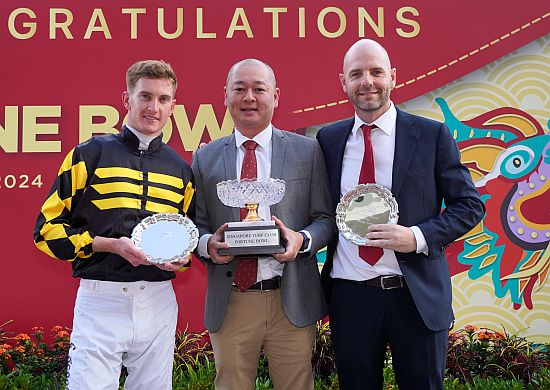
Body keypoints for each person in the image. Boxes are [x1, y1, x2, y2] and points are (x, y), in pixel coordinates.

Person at [316, 39, 485, 389]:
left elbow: (469, 205)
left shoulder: (431, 134)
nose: (367, 82)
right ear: (342, 82)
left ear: (392, 76)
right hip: (351, 296)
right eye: (356, 74)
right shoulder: (328, 141)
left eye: (377, 72)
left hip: (416, 294)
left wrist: (417, 237)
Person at [33, 60, 195, 390]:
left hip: (158, 300)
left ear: (173, 106)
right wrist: (107, 244)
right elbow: (45, 231)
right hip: (100, 299)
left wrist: (180, 260)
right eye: (145, 96)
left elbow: (186, 239)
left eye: (163, 99)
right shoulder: (88, 155)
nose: (154, 108)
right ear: (126, 99)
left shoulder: (181, 170)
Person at [192, 58, 335, 390]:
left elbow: (326, 219)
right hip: (232, 299)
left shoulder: (308, 150)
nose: (249, 97)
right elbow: (196, 223)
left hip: (291, 297)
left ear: (276, 96)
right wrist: (207, 245)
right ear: (226, 96)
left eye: (259, 89)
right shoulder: (205, 157)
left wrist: (302, 240)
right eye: (239, 89)